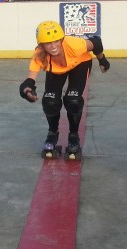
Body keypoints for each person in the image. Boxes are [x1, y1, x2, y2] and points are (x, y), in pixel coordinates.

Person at [19, 20, 110, 160]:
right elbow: (29, 81)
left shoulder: (74, 45)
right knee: (49, 101)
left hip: (80, 63)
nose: (53, 46)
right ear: (41, 45)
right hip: (57, 70)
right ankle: (52, 134)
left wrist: (102, 60)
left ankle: (73, 136)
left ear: (62, 39)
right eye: (48, 43)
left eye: (56, 41)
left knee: (73, 100)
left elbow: (96, 42)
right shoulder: (40, 54)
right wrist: (27, 91)